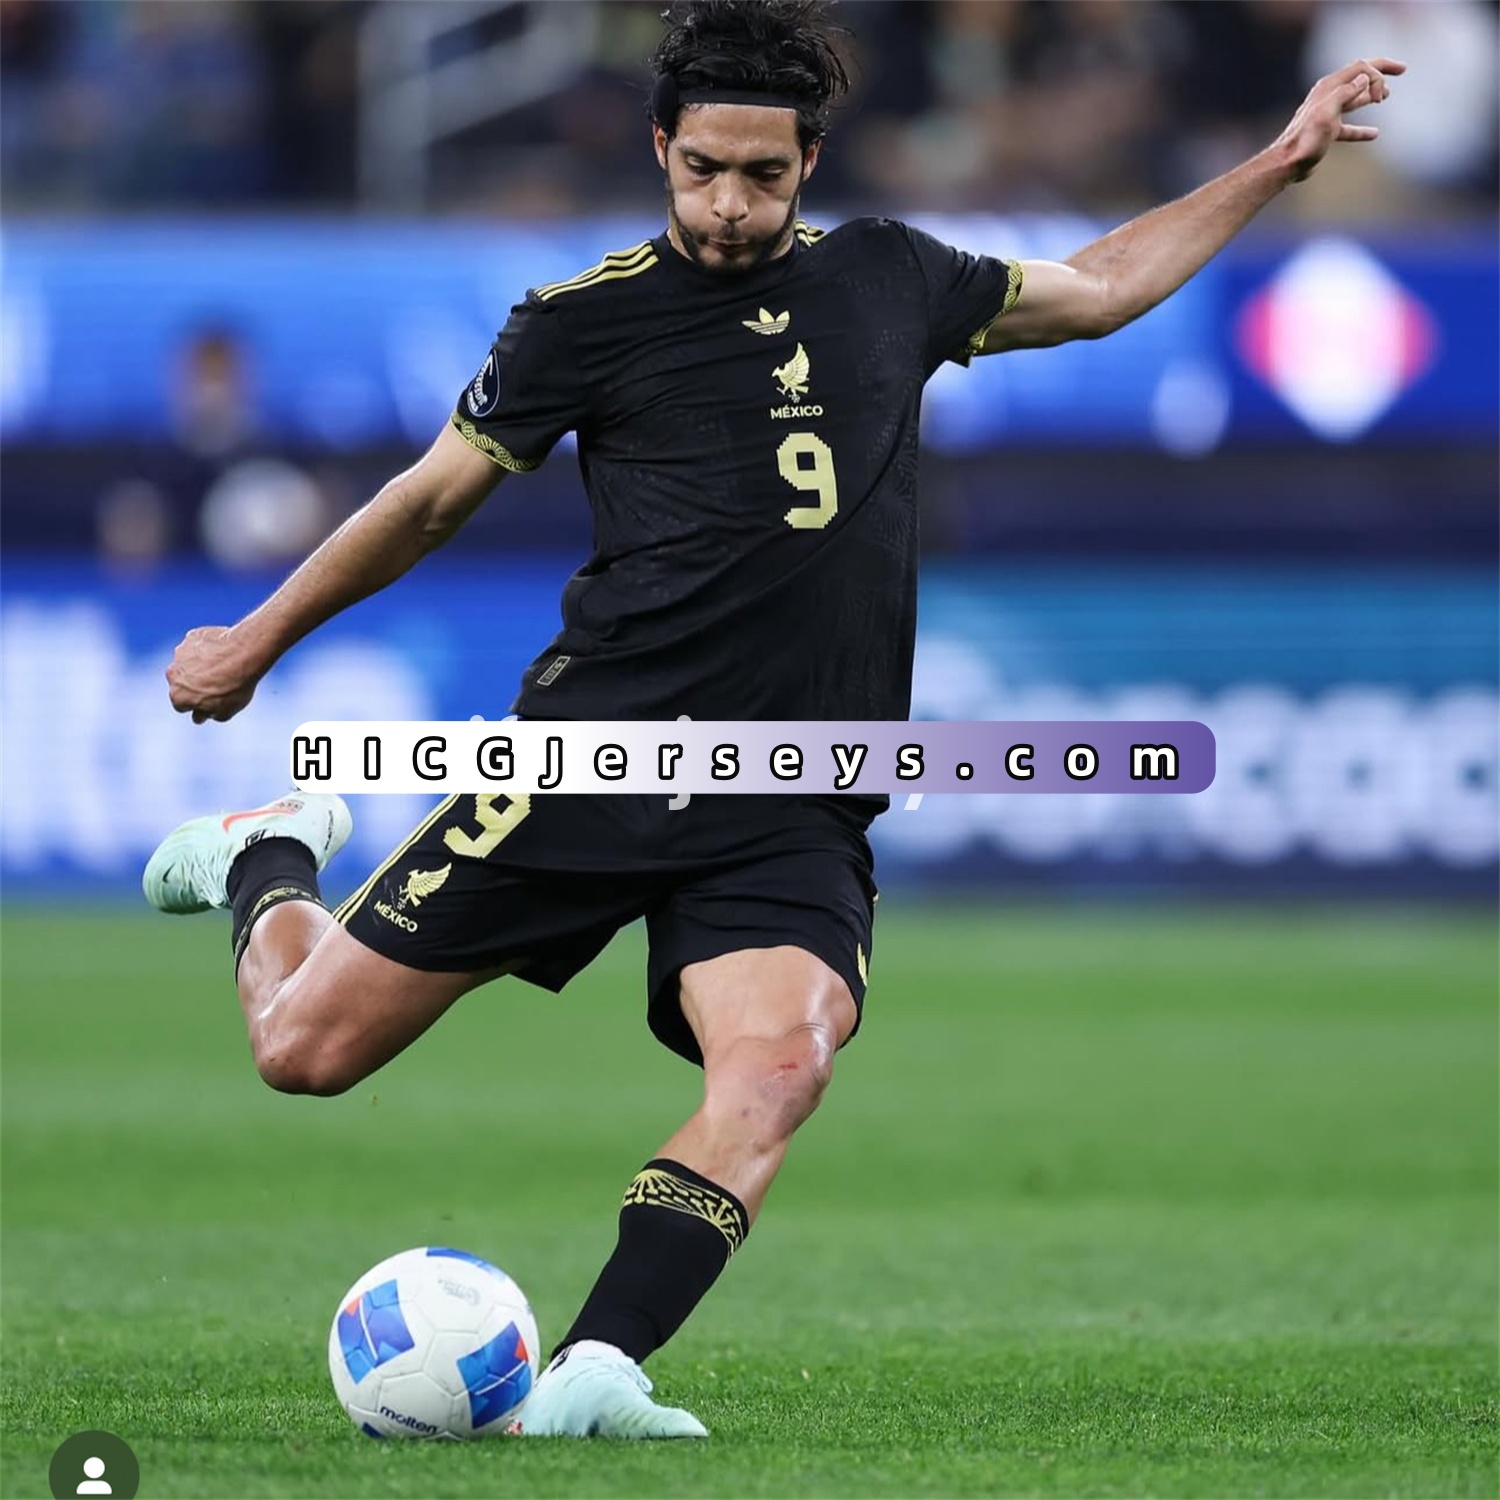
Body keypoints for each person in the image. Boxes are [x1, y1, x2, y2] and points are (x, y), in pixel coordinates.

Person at [143, 0, 1400, 1440]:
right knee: (304, 1053)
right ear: (660, 150)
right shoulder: (578, 322)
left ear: (811, 161)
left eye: (762, 174)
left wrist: (1279, 161)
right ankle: (269, 853)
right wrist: (255, 640)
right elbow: (429, 501)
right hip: (593, 762)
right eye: (704, 172)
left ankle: (598, 1367)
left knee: (782, 1063)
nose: (730, 206)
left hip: (792, 794)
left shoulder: (895, 277)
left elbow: (1105, 284)